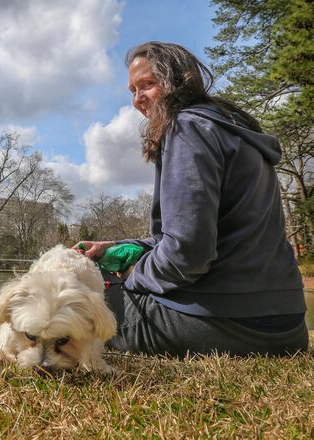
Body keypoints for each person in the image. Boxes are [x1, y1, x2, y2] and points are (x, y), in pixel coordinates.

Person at [74, 41, 308, 357]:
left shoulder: (187, 129)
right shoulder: (231, 129)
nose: (138, 99)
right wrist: (120, 248)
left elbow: (188, 253)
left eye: (148, 84)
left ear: (179, 81)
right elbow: (190, 237)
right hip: (287, 326)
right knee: (103, 268)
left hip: (230, 324)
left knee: (85, 285)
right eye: (132, 90)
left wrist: (133, 274)